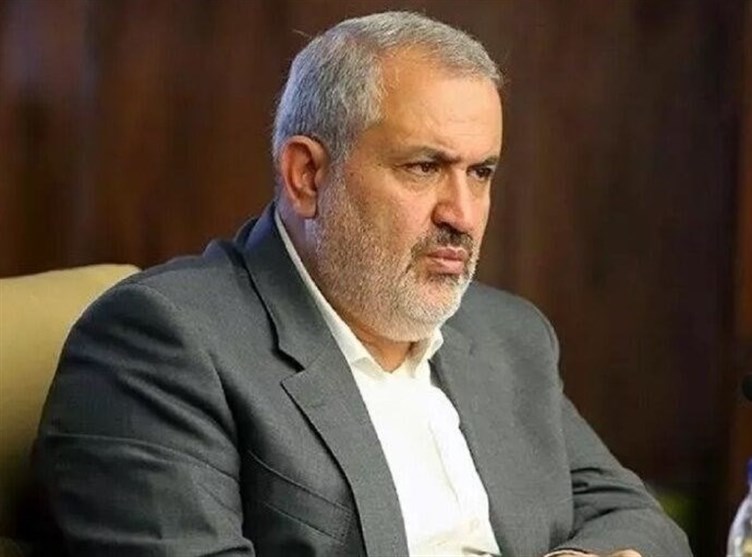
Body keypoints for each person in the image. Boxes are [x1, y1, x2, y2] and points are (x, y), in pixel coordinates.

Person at [35, 11, 692, 557]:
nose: (462, 214)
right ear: (307, 176)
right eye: (424, 167)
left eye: (481, 172)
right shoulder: (162, 342)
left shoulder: (508, 335)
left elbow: (639, 520)